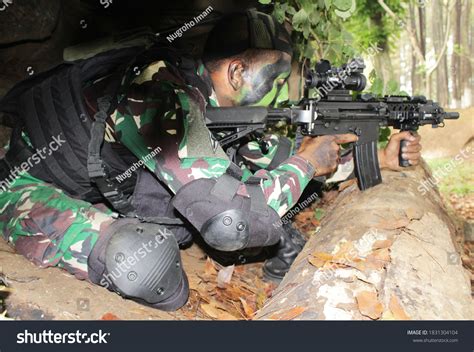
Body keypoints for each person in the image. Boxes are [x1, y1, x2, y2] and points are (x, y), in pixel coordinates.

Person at [0, 10, 422, 311]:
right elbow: (229, 223)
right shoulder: (160, 94)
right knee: (143, 263)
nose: (278, 89)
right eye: (273, 77)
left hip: (93, 188)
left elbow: (273, 159)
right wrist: (308, 163)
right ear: (237, 72)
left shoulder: (208, 103)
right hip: (23, 188)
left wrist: (377, 158)